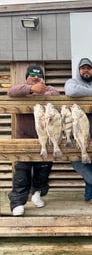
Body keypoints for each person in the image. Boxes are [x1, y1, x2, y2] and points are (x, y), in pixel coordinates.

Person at [7, 65, 60, 216]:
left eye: (38, 77)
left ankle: (37, 193)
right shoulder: (21, 90)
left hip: (45, 139)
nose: (35, 78)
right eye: (32, 76)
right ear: (26, 78)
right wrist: (31, 90)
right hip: (24, 139)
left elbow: (56, 94)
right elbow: (10, 91)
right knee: (22, 172)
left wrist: (41, 92)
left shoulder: (48, 89)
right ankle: (17, 202)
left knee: (43, 170)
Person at [64, 57, 92, 206]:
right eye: (83, 68)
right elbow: (71, 91)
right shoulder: (73, 83)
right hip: (76, 134)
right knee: (78, 162)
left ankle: (91, 196)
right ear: (79, 70)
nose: (86, 70)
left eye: (89, 68)